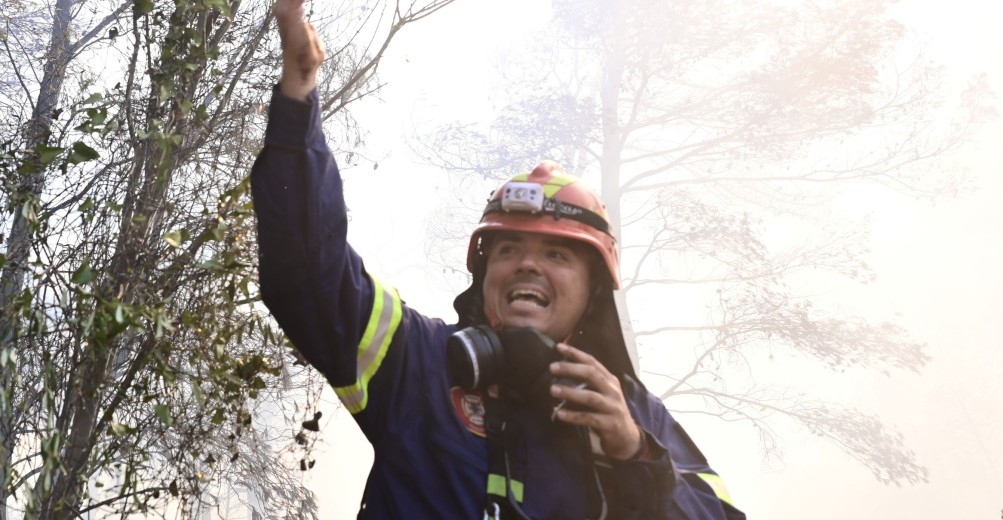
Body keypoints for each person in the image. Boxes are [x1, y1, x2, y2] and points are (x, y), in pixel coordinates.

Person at [251, 1, 747, 518]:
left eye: (556, 253)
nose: (527, 265)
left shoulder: (633, 415)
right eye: (508, 249)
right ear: (484, 275)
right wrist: (298, 96)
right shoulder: (418, 363)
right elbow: (307, 273)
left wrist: (635, 454)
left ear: (594, 289)